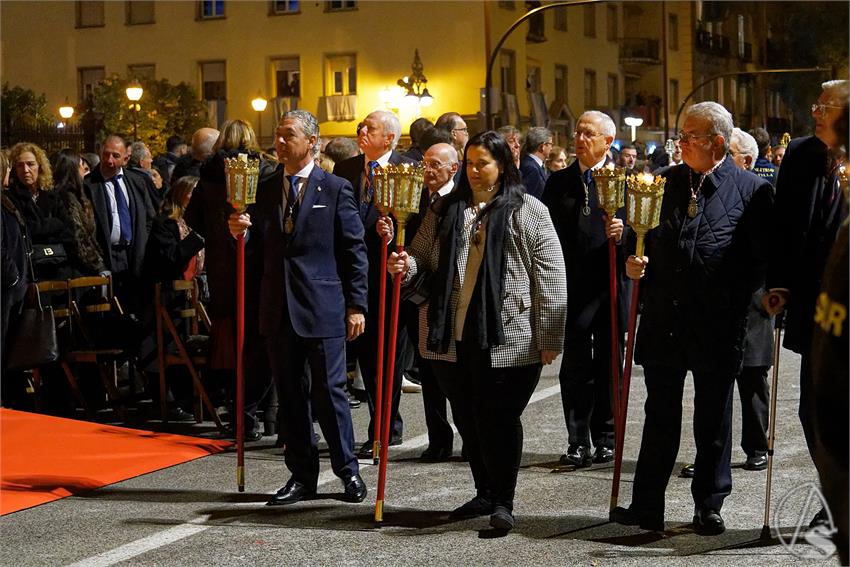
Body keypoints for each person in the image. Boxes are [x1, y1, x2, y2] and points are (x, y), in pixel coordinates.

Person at [386, 131, 567, 531]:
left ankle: (504, 500)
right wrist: (403, 267)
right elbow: (420, 259)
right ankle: (484, 489)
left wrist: (550, 336)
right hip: (450, 333)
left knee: (498, 417)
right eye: (468, 163)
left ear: (502, 166)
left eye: (481, 163)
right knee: (467, 416)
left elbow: (551, 276)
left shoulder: (529, 210)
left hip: (509, 334)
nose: (473, 171)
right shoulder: (445, 210)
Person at [610, 101, 774, 535]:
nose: (679, 143)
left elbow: (758, 262)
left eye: (689, 137)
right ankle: (647, 504)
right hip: (665, 314)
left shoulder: (752, 190)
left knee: (713, 416)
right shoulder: (660, 183)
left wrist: (731, 292)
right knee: (659, 412)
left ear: (716, 142)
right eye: (680, 136)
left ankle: (709, 503)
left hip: (717, 321)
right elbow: (636, 237)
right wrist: (633, 261)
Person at [228, 109, 368, 506]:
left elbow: (354, 251)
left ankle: (347, 472)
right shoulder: (266, 187)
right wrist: (237, 233)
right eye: (278, 134)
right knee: (290, 397)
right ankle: (302, 475)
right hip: (278, 307)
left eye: (289, 135)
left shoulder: (336, 188)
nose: (280, 142)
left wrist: (357, 304)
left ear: (313, 141)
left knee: (330, 393)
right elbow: (255, 247)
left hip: (323, 306)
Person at [763, 79, 849, 528]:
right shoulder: (798, 153)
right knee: (814, 406)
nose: (817, 112)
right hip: (813, 296)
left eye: (827, 106)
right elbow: (784, 224)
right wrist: (777, 282)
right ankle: (835, 496)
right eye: (816, 105)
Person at [541, 110, 626, 468]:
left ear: (607, 141)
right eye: (577, 132)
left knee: (609, 364)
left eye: (588, 133)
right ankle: (578, 439)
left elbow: (644, 234)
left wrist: (625, 235)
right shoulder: (558, 183)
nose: (579, 138)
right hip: (571, 288)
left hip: (609, 285)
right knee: (574, 367)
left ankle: (607, 436)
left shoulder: (624, 180)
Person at [184, 119, 277, 441]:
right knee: (260, 340)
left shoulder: (209, 174)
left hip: (224, 269)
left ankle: (242, 415)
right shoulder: (264, 172)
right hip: (257, 265)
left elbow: (191, 218)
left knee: (234, 342)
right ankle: (268, 414)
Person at [333, 110, 415, 459]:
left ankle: (383, 429)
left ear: (389, 138)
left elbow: (417, 217)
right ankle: (383, 422)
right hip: (355, 274)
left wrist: (397, 237)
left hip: (390, 272)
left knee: (388, 358)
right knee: (366, 357)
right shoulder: (346, 170)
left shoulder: (406, 168)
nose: (361, 130)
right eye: (361, 126)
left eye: (370, 127)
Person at [409, 142, 460, 461]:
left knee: (457, 373)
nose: (428, 171)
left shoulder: (460, 201)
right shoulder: (414, 198)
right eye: (425, 164)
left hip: (454, 297)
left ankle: (470, 435)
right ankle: (438, 438)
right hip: (421, 295)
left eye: (436, 165)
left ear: (453, 169)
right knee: (428, 370)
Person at [84, 134, 157, 317]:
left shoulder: (137, 182)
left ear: (126, 158)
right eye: (106, 154)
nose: (109, 160)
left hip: (132, 254)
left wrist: (142, 243)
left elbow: (149, 217)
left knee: (132, 309)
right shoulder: (88, 185)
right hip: (105, 255)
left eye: (115, 156)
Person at [7, 142, 75, 281]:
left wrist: (39, 229)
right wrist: (54, 224)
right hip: (30, 271)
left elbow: (69, 230)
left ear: (40, 166)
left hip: (58, 266)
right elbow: (22, 232)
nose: (25, 170)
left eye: (30, 164)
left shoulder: (52, 195)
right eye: (20, 165)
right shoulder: (11, 198)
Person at [51, 149, 107, 276]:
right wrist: (98, 266)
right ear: (72, 169)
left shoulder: (76, 195)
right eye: (81, 165)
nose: (84, 169)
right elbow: (78, 237)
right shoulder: (66, 199)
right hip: (76, 271)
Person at [144, 176, 205, 283]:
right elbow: (171, 258)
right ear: (180, 195)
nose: (199, 198)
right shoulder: (165, 223)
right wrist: (197, 235)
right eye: (194, 193)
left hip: (196, 286)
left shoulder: (198, 221)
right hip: (171, 288)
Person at [519, 127, 553, 199]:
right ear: (542, 146)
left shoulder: (536, 166)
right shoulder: (531, 168)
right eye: (551, 144)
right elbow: (528, 200)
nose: (551, 148)